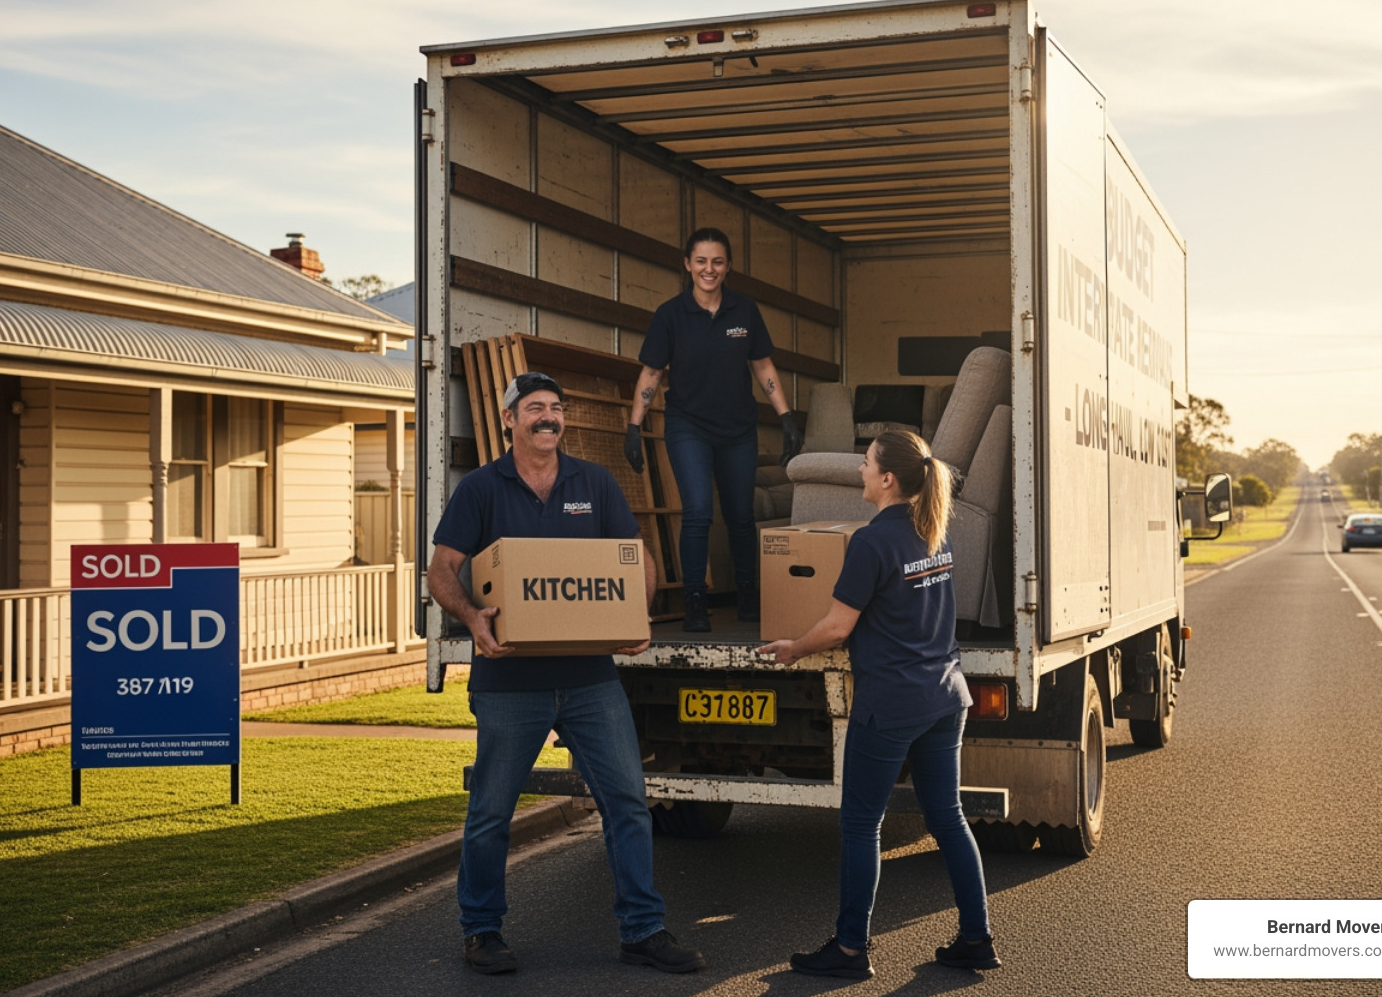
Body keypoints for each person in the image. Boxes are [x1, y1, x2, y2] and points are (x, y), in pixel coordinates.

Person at [427, 371, 705, 976]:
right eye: (534, 408)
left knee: (629, 803)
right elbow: (442, 568)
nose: (548, 418)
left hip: (590, 680)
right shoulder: (481, 488)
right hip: (509, 682)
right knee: (492, 813)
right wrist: (473, 618)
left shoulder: (593, 482)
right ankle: (481, 930)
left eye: (556, 407)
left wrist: (639, 610)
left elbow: (636, 555)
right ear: (509, 419)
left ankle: (643, 928)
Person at [759, 429, 1000, 979]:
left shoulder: (871, 542)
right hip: (945, 696)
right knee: (949, 819)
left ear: (888, 479)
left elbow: (839, 626)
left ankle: (849, 950)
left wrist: (792, 648)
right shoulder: (933, 531)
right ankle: (976, 938)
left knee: (862, 823)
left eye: (867, 464)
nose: (861, 471)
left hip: (890, 703)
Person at [625, 227, 803, 633]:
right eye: (701, 261)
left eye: (718, 261)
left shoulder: (744, 310)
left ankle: (747, 596)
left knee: (741, 516)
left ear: (728, 267)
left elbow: (762, 365)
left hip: (738, 429)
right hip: (688, 427)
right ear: (688, 265)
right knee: (699, 512)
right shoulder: (671, 315)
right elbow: (652, 371)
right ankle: (695, 602)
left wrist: (787, 416)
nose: (710, 269)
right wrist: (634, 426)